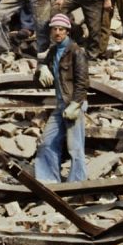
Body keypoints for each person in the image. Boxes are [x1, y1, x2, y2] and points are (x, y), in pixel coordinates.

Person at [33, 13, 88, 183]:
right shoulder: (54, 50)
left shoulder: (76, 51)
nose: (57, 32)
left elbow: (83, 82)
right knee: (47, 143)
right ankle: (48, 181)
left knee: (75, 147)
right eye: (55, 29)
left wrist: (76, 104)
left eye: (61, 29)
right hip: (60, 105)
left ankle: (77, 186)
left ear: (67, 32)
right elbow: (40, 80)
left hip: (73, 104)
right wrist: (41, 69)